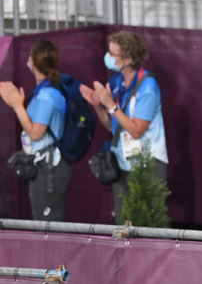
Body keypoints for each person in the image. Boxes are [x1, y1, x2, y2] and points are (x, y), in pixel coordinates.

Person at [80, 31, 168, 224]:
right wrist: (97, 106)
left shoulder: (148, 87)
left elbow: (136, 130)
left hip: (148, 164)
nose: (108, 58)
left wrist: (111, 105)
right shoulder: (117, 82)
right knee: (123, 224)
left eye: (113, 54)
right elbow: (113, 127)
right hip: (122, 163)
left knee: (147, 224)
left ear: (128, 59)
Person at [0, 40, 71, 221]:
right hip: (41, 165)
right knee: (40, 219)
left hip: (50, 168)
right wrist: (18, 105)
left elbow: (35, 133)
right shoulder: (41, 92)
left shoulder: (48, 95)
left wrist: (17, 105)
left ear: (35, 61)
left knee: (48, 223)